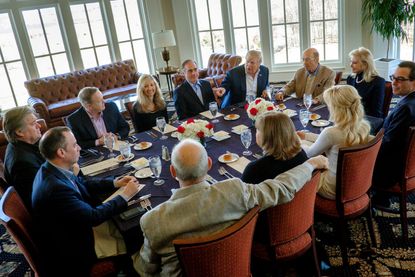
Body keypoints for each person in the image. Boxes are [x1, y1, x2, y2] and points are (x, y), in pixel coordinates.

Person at [132, 139, 328, 276]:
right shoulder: (235, 192)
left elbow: (146, 269)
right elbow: (281, 188)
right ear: (209, 164)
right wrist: (309, 164)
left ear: (172, 171)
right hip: (235, 268)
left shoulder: (152, 221)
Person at [32, 126, 140, 277]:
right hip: (76, 246)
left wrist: (115, 182)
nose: (79, 148)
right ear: (61, 152)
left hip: (72, 227)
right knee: (134, 232)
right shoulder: (55, 189)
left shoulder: (51, 168)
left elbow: (81, 182)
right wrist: (125, 196)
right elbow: (93, 217)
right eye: (75, 145)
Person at [298, 85, 371, 199]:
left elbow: (309, 155)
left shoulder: (331, 132)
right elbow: (329, 139)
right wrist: (306, 136)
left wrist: (299, 142)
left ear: (336, 109)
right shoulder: (364, 127)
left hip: (332, 188)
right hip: (356, 183)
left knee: (298, 166)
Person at [373, 61, 415, 196]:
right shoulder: (409, 101)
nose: (394, 82)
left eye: (400, 79)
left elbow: (388, 144)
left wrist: (363, 148)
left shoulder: (406, 108)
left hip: (388, 171)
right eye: (393, 77)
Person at [241, 111, 308, 183]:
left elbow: (240, 193)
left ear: (266, 136)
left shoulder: (255, 169)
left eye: (257, 130)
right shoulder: (301, 154)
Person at [3, 106, 45, 210]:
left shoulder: (16, 144)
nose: (39, 126)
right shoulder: (22, 163)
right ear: (19, 132)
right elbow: (43, 198)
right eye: (33, 124)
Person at [347, 47, 385, 118]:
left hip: (369, 119)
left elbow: (376, 112)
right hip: (352, 116)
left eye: (354, 62)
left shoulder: (378, 82)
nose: (350, 65)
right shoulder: (351, 78)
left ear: (365, 64)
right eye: (351, 61)